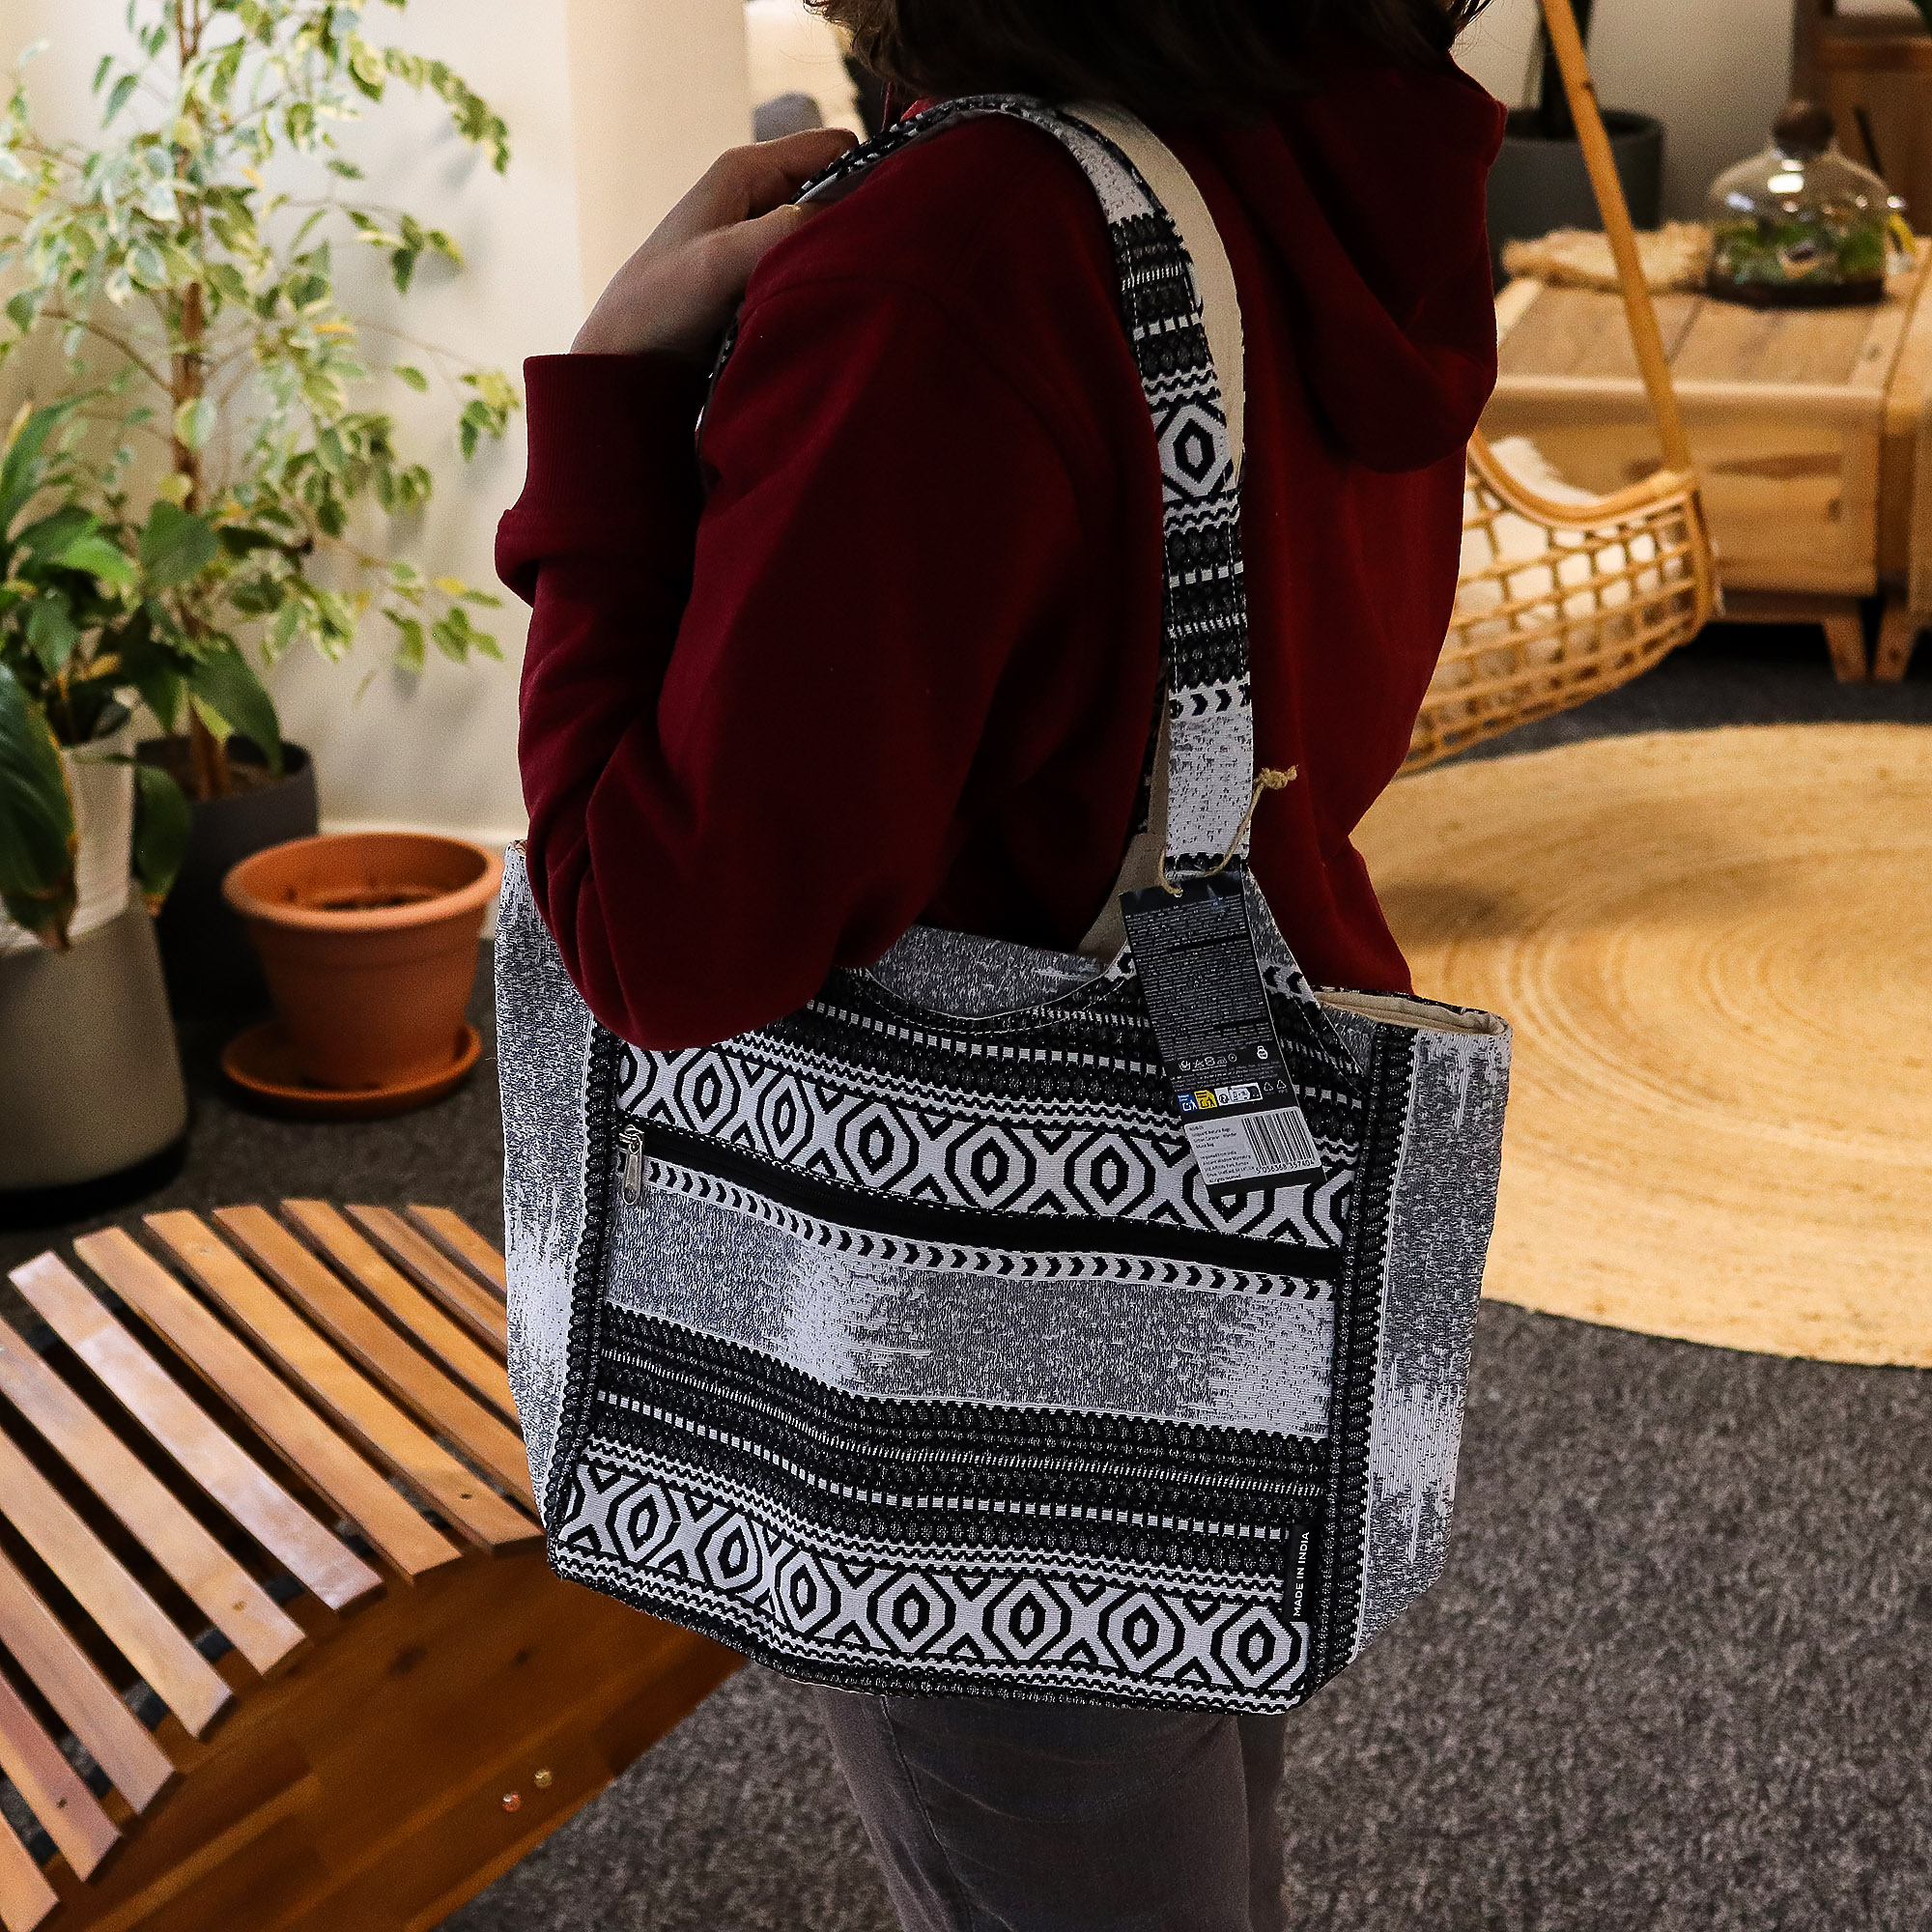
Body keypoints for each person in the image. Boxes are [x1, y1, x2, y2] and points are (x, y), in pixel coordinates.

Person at [498, 3, 1501, 1925]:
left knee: (1055, 1828)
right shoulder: (1327, 154)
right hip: (1221, 1187)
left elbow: (654, 928)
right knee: (1185, 1768)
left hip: (959, 1366)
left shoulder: (953, 267)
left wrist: (614, 398)